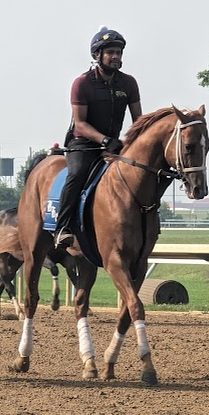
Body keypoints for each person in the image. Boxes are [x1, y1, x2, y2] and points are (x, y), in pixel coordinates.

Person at [53, 26, 142, 249]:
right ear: (97, 55)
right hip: (83, 144)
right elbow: (80, 124)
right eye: (110, 52)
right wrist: (104, 140)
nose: (115, 57)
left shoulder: (129, 83)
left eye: (119, 53)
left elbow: (138, 120)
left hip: (115, 145)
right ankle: (62, 228)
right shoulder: (82, 83)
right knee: (77, 174)